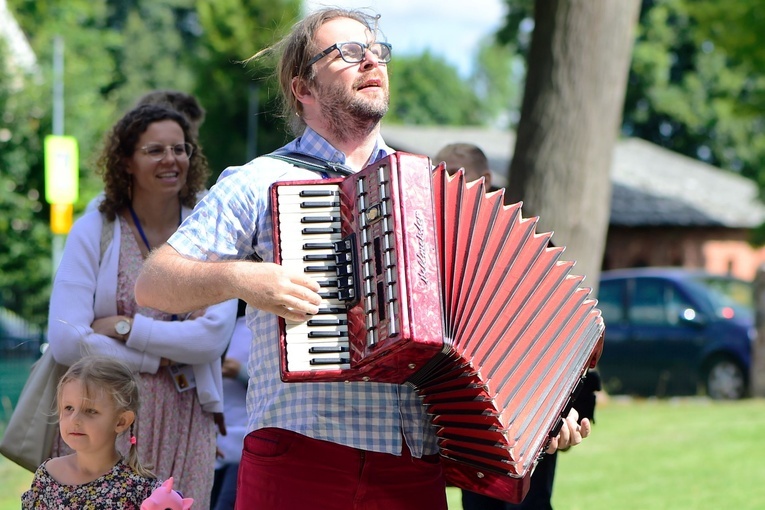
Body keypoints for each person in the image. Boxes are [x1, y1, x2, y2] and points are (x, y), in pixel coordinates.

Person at [134, 8, 590, 509]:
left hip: (411, 466)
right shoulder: (258, 180)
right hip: (300, 456)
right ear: (302, 87)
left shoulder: (430, 196)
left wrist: (540, 414)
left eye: (378, 50)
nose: (371, 60)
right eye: (347, 52)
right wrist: (244, 278)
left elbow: (484, 326)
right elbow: (154, 282)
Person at [47, 103, 238, 507]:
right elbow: (66, 339)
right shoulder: (95, 227)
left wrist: (125, 328)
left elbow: (210, 340)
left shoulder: (212, 227)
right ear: (126, 162)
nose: (171, 159)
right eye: (155, 150)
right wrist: (157, 360)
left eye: (180, 148)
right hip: (103, 414)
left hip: (188, 416)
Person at [435, 142, 602, 510]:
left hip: (533, 402)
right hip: (471, 406)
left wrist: (567, 405)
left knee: (530, 503)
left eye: (455, 175)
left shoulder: (523, 239)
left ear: (487, 180)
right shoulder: (435, 247)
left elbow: (566, 323)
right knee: (479, 504)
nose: (445, 185)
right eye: (438, 176)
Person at [21, 356, 160, 508]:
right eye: (69, 408)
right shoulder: (48, 476)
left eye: (90, 411)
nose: (74, 419)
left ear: (121, 421)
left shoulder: (142, 489)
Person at [210, 300, 250, 510]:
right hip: (212, 439)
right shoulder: (214, 324)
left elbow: (273, 383)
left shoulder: (255, 327)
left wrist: (240, 372)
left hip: (244, 441)